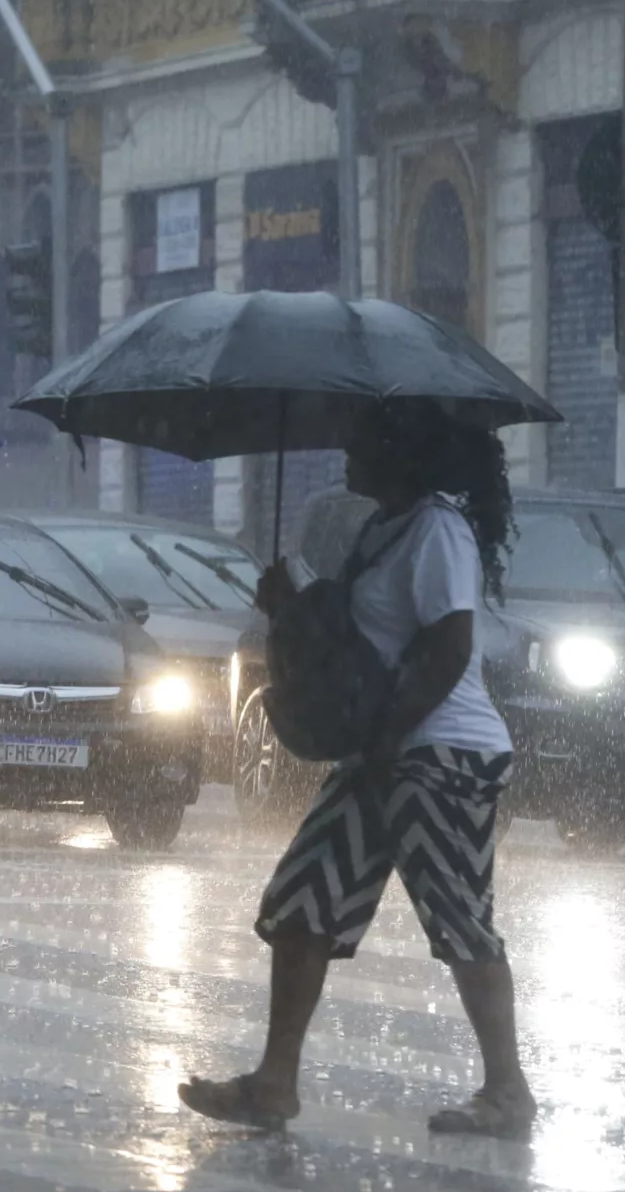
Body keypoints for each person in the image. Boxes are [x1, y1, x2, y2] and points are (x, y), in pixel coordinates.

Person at [179, 403, 531, 1137]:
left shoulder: (437, 529)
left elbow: (449, 648)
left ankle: (508, 1093)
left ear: (402, 452)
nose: (347, 448)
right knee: (305, 900)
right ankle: (274, 1083)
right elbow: (356, 640)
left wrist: (387, 740)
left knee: (459, 917)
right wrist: (290, 607)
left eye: (364, 437)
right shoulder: (384, 529)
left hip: (441, 756)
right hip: (381, 752)